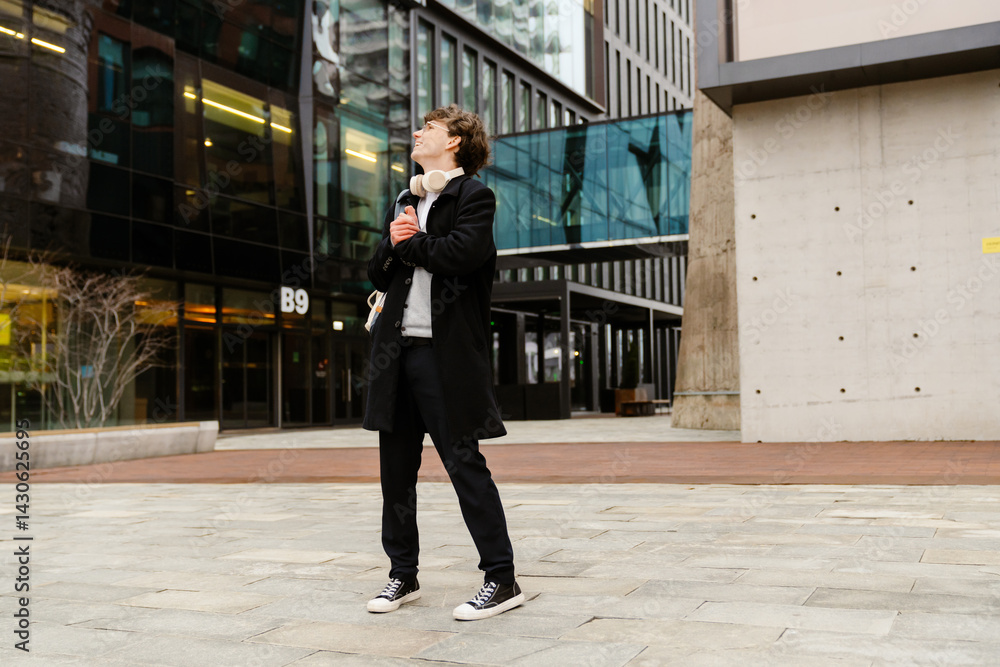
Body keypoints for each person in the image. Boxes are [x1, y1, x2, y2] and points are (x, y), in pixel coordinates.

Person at [362, 105, 523, 621]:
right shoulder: (407, 199)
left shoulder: (474, 196)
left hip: (445, 358)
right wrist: (396, 242)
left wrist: (411, 242)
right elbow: (378, 272)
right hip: (396, 356)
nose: (417, 132)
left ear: (455, 141)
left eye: (428, 128)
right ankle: (402, 575)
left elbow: (461, 254)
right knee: (395, 474)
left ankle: (502, 578)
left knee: (464, 466)